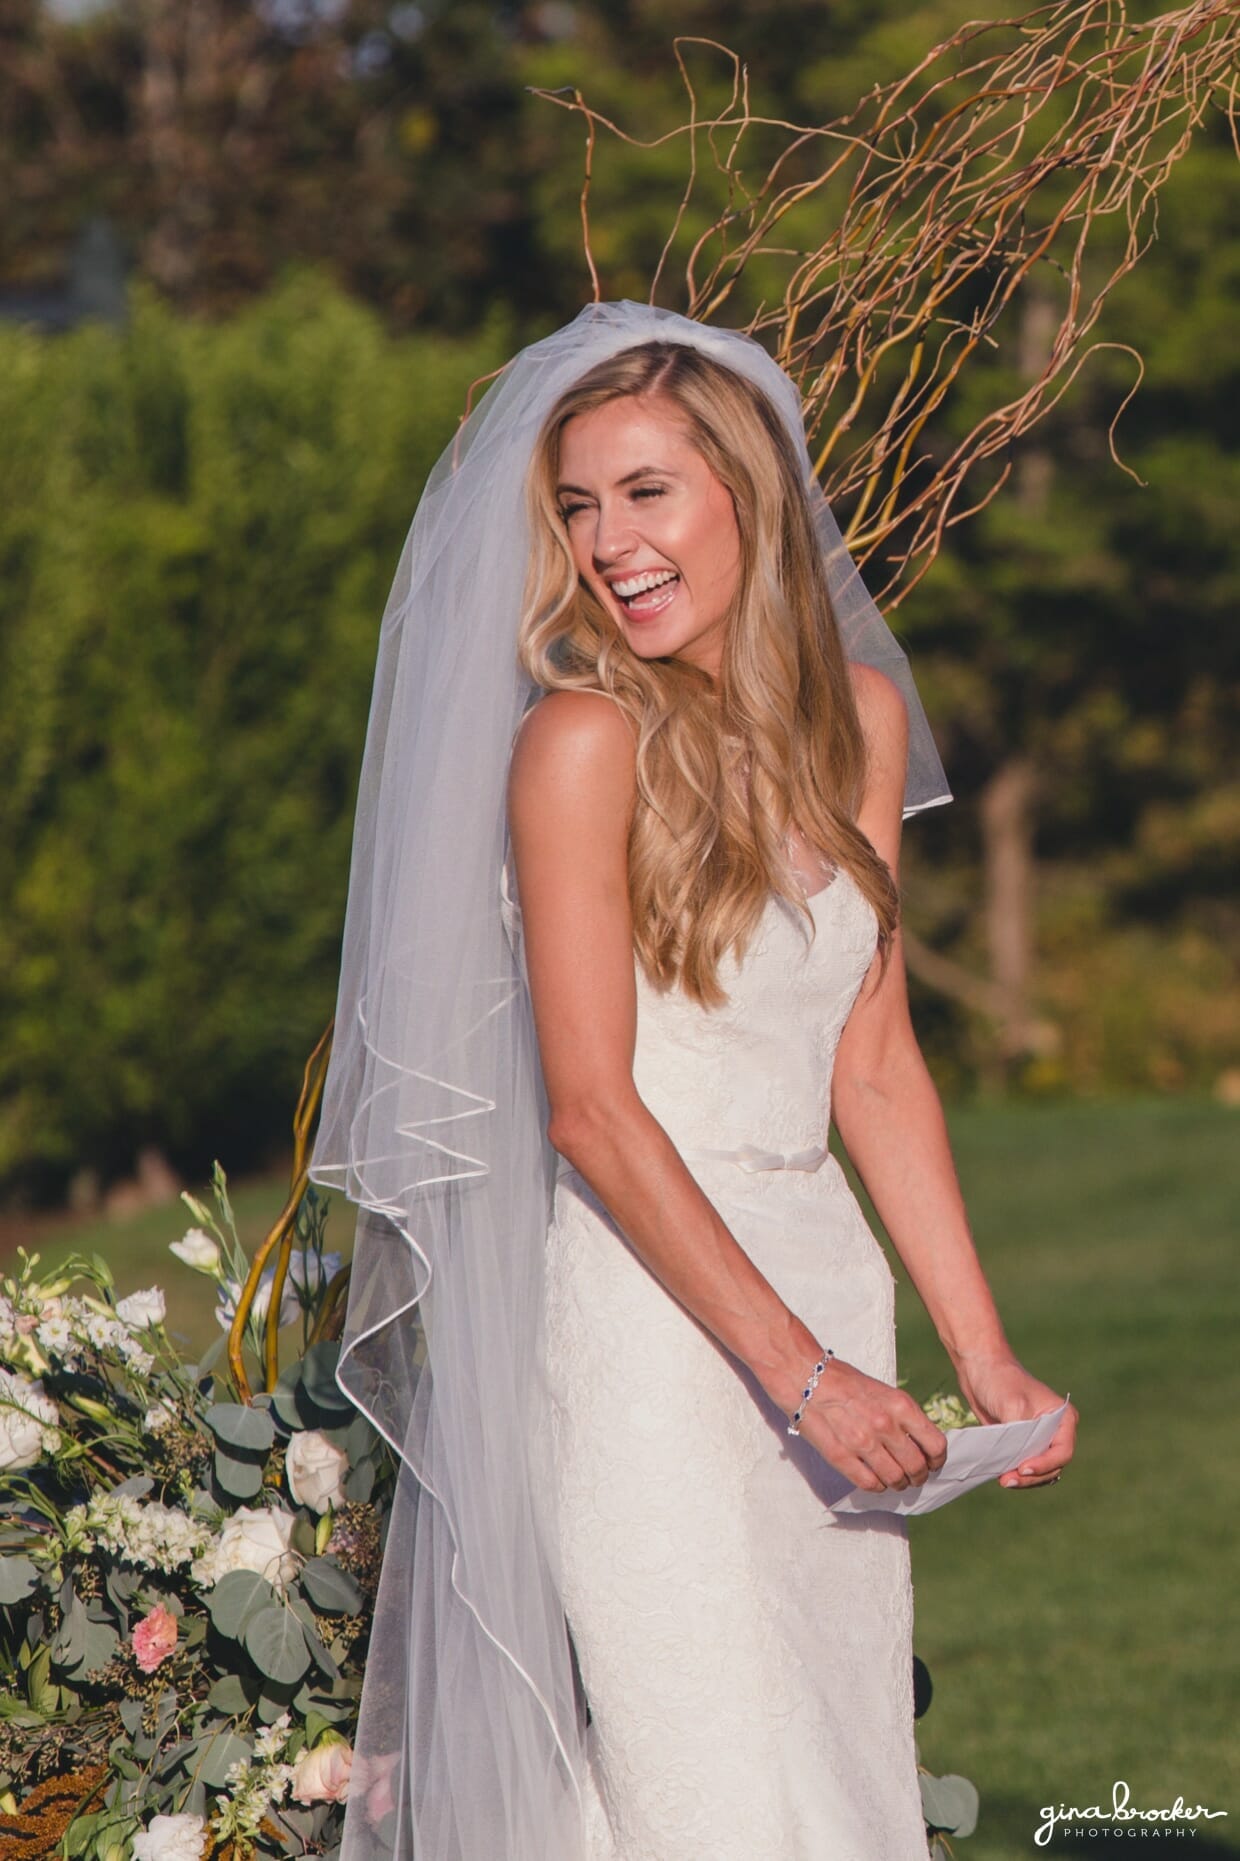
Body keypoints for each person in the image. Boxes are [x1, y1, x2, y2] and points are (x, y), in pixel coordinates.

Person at [310, 302, 1077, 1861]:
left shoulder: (856, 720)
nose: (608, 541)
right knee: (716, 1786)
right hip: (656, 1339)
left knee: (840, 1767)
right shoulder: (581, 745)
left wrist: (980, 1356)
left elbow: (872, 1062)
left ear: (750, 495)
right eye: (579, 506)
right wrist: (802, 1375)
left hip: (826, 1289)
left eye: (647, 491)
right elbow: (591, 1108)